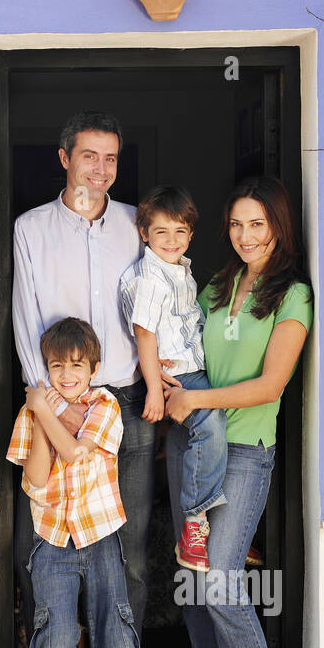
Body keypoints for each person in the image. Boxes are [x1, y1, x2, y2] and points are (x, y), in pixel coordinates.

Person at [11, 111, 155, 648]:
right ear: (64, 158)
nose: (101, 170)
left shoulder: (134, 225)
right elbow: (25, 319)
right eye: (89, 156)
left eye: (111, 159)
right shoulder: (31, 230)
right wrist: (45, 401)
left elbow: (161, 303)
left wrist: (161, 380)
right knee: (44, 552)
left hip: (121, 402)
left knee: (129, 559)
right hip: (53, 397)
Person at [161, 176, 313, 648]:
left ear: (278, 226)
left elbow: (272, 384)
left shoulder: (291, 294)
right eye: (236, 224)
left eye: (257, 224)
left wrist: (196, 402)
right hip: (194, 449)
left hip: (247, 450)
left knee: (221, 579)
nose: (245, 235)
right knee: (195, 585)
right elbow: (186, 354)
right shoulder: (216, 285)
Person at [6, 317, 139, 648]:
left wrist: (44, 410)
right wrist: (41, 417)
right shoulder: (32, 414)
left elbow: (78, 453)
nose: (66, 375)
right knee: (54, 637)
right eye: (57, 365)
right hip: (51, 540)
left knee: (114, 631)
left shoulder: (106, 405)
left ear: (94, 368)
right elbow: (38, 476)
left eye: (76, 365)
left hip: (99, 533)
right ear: (46, 368)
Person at [118, 185, 228, 574]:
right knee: (211, 424)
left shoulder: (181, 270)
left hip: (192, 369)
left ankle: (207, 526)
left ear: (191, 235)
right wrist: (152, 387)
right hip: (175, 378)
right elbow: (144, 333)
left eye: (180, 231)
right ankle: (196, 521)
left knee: (209, 430)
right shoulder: (150, 277)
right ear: (144, 233)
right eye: (161, 232)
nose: (171, 240)